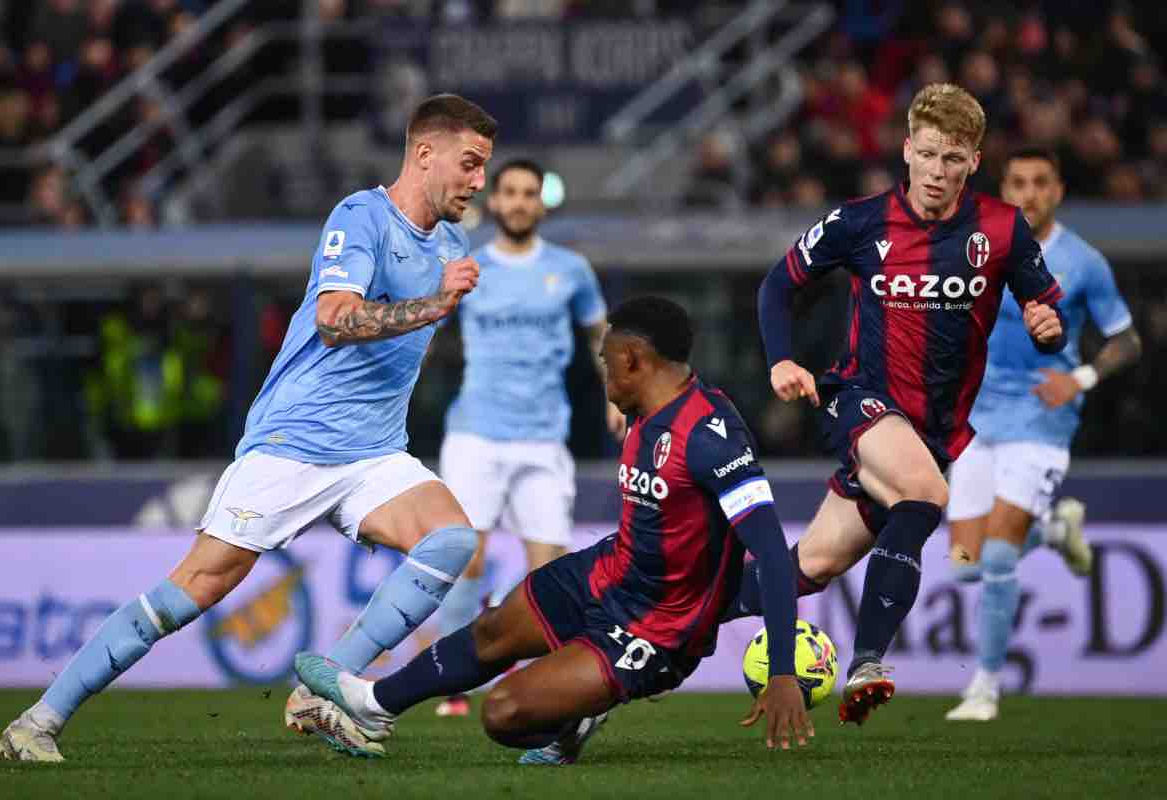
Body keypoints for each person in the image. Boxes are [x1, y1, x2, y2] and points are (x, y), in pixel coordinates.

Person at [0, 94, 498, 762]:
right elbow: (334, 319)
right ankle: (37, 721)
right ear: (424, 152)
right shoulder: (361, 217)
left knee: (450, 540)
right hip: (296, 442)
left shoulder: (454, 243)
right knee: (194, 590)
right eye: (469, 163)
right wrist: (433, 304)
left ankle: (323, 688)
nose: (479, 182)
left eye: (483, 167)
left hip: (374, 452)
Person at [293, 296, 812, 762]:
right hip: (607, 571)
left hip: (653, 629)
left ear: (633, 359)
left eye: (608, 362)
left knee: (504, 715)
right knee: (493, 630)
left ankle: (580, 712)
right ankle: (372, 703)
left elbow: (768, 550)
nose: (603, 376)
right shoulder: (643, 409)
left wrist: (783, 670)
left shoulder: (710, 436)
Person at [750, 83, 1065, 725]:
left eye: (952, 159)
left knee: (803, 570)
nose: (936, 172)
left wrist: (1043, 320)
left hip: (934, 432)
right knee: (925, 497)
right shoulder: (860, 221)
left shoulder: (1002, 229)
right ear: (906, 150)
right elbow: (778, 285)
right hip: (860, 400)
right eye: (926, 154)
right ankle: (866, 662)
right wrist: (782, 358)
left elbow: (1042, 301)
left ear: (974, 162)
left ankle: (664, 622)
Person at [944, 147, 1141, 721]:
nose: (1029, 193)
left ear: (1058, 191)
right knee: (962, 563)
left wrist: (1079, 377)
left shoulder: (1083, 262)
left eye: (1041, 183)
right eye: (1018, 183)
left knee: (1001, 553)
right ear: (1002, 189)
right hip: (979, 418)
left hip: (1041, 417)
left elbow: (1126, 339)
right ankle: (1055, 530)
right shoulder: (978, 248)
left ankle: (983, 688)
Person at [433, 158, 625, 717]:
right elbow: (423, 334)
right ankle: (453, 688)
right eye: (509, 193)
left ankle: (541, 683)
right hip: (476, 436)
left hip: (544, 440)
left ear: (542, 203)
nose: (518, 202)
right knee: (463, 558)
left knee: (549, 570)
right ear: (493, 202)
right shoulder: (466, 268)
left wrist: (615, 391)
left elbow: (600, 335)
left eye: (529, 193)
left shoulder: (571, 270)